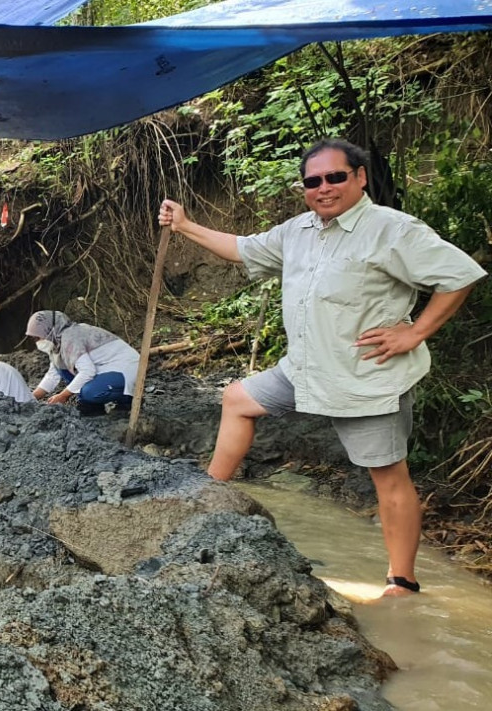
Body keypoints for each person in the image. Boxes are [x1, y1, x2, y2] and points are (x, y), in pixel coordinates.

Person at [158, 137, 487, 597]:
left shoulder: (392, 229)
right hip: (305, 368)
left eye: (335, 177)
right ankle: (209, 498)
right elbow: (243, 248)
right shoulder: (298, 231)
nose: (324, 188)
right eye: (313, 181)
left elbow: (459, 275)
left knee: (389, 477)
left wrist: (414, 333)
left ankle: (401, 582)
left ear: (360, 177)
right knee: (238, 399)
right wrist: (187, 226)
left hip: (366, 376)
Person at [26, 311, 139, 416]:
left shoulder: (71, 337)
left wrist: (63, 396)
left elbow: (87, 371)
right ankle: (94, 407)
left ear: (49, 330)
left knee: (89, 392)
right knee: (61, 369)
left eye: (38, 337)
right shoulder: (57, 344)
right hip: (105, 368)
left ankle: (126, 400)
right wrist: (30, 398)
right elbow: (52, 376)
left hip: (126, 368)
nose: (38, 342)